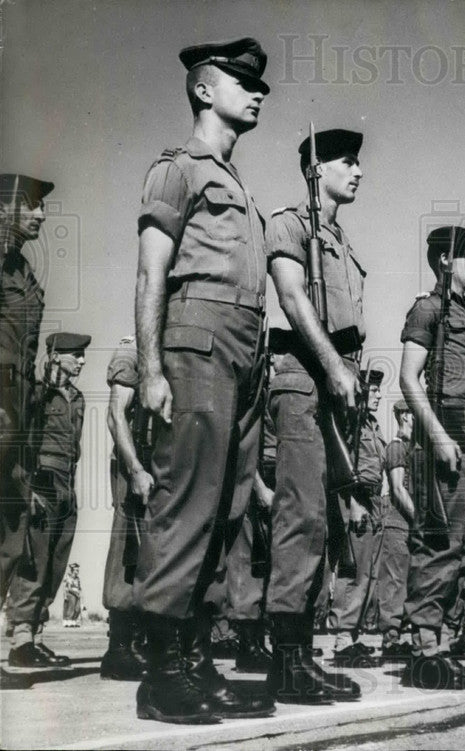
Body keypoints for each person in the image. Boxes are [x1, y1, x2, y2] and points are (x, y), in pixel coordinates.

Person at [132, 37, 275, 723]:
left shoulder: (240, 187)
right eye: (243, 82)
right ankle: (159, 671)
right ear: (203, 89)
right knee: (187, 500)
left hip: (245, 351)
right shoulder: (178, 170)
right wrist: (152, 366)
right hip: (199, 338)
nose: (257, 93)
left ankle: (197, 658)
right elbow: (150, 272)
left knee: (228, 508)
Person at [264, 126, 369, 704]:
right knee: (300, 517)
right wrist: (332, 365)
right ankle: (286, 661)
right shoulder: (290, 224)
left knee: (322, 525)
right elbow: (292, 297)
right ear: (315, 170)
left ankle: (301, 652)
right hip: (303, 377)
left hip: (333, 387)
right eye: (346, 162)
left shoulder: (339, 239)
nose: (358, 171)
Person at [399, 226, 465, 690]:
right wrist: (435, 434)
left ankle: (445, 643)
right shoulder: (428, 308)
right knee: (438, 541)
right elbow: (409, 378)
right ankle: (424, 650)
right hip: (445, 434)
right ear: (444, 262)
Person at [6, 332, 90, 667]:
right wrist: (28, 491)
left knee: (55, 563)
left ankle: (36, 638)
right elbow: (22, 443)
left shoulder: (77, 398)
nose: (82, 361)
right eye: (76, 355)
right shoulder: (38, 394)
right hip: (42, 481)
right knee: (34, 562)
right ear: (56, 357)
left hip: (67, 483)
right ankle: (21, 639)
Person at [0, 174, 51, 606]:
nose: (42, 214)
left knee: (13, 531)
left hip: (18, 413)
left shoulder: (20, 267)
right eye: (32, 206)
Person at [100, 335, 152, 680]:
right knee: (128, 547)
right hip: (137, 463)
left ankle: (143, 640)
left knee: (153, 553)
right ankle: (119, 648)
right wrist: (134, 468)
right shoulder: (133, 348)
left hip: (161, 466)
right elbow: (115, 414)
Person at [328, 368, 386, 667]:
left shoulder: (371, 424)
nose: (378, 394)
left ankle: (351, 635)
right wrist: (351, 502)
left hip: (374, 499)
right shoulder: (350, 422)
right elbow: (343, 463)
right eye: (373, 390)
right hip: (358, 498)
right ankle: (341, 640)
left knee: (368, 573)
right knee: (353, 571)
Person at [377, 399, 415, 659]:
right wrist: (420, 519)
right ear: (403, 416)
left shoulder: (414, 448)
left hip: (410, 525)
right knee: (394, 583)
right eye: (414, 413)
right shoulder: (397, 447)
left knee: (409, 582)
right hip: (399, 524)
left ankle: (401, 636)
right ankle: (390, 639)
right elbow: (399, 489)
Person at [62, 563, 81, 627]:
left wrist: (79, 594)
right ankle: (68, 621)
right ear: (72, 570)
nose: (77, 572)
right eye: (76, 570)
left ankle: (74, 621)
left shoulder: (77, 578)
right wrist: (76, 594)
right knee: (71, 607)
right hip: (71, 593)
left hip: (77, 593)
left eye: (78, 570)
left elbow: (79, 587)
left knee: (77, 608)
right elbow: (69, 588)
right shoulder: (69, 577)